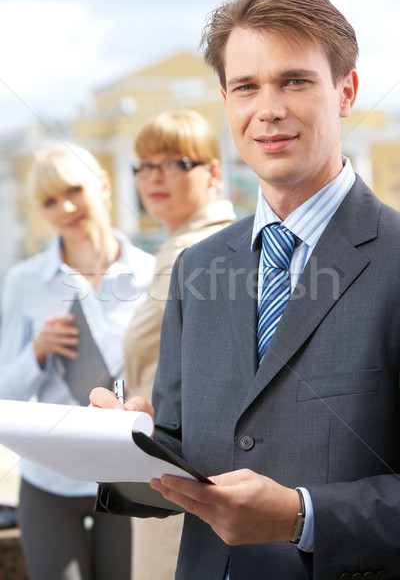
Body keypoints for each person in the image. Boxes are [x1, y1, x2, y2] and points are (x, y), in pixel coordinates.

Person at [91, 0, 400, 580]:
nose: (268, 108)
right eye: (246, 86)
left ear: (347, 91)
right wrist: (126, 443)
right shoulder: (197, 267)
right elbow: (183, 458)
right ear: (227, 101)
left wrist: (302, 517)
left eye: (294, 81)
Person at [0, 142, 155, 580]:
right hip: (47, 479)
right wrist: (37, 352)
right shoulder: (25, 281)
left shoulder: (152, 274)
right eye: (49, 201)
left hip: (125, 473)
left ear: (104, 186)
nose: (65, 207)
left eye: (73, 190)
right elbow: (4, 394)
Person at [123, 110, 236, 580]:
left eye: (174, 163)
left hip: (185, 467)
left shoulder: (211, 248)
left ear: (212, 172)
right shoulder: (178, 247)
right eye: (144, 166)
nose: (154, 178)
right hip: (163, 463)